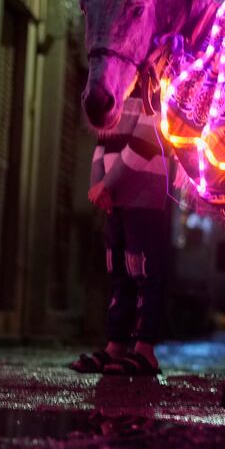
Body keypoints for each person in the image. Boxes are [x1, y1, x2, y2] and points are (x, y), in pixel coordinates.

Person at [68, 95, 172, 377]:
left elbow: (146, 140)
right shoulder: (116, 91)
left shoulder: (152, 91)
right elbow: (102, 140)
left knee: (145, 270)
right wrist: (98, 184)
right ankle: (116, 344)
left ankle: (145, 349)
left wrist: (106, 183)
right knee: (118, 271)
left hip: (144, 192)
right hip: (114, 197)